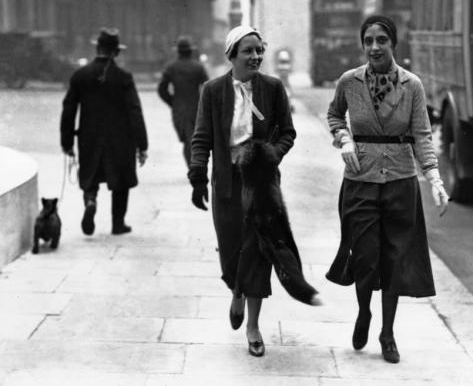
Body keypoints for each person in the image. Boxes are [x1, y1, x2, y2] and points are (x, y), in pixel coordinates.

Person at [325, 14, 449, 364]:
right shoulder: (349, 82)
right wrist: (344, 138)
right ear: (362, 45)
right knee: (364, 258)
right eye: (368, 41)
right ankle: (364, 311)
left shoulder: (412, 85)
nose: (375, 47)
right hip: (360, 181)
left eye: (382, 40)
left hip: (399, 182)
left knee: (394, 261)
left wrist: (435, 178)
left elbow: (422, 134)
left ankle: (387, 332)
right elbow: (335, 115)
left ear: (394, 43)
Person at [188, 25, 299, 358]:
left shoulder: (274, 89)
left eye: (259, 50)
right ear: (232, 55)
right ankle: (236, 290)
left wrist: (271, 155)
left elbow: (288, 133)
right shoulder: (212, 91)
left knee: (258, 254)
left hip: (261, 186)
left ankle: (252, 326)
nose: (256, 56)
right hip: (226, 185)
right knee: (231, 254)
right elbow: (202, 137)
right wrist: (196, 174)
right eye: (248, 51)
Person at [60, 28, 148, 235]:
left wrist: (67, 142)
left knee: (90, 173)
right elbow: (135, 111)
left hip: (89, 137)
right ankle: (118, 224)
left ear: (97, 48)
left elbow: (69, 109)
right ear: (116, 52)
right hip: (121, 139)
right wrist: (142, 145)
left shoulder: (80, 75)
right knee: (121, 180)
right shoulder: (124, 77)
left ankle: (90, 201)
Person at [157, 36, 209, 167]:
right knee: (195, 140)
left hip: (179, 110)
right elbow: (208, 88)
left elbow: (161, 89)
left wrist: (172, 102)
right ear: (191, 51)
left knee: (187, 140)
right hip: (196, 109)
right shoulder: (198, 67)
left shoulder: (171, 67)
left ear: (178, 51)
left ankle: (193, 167)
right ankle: (196, 166)